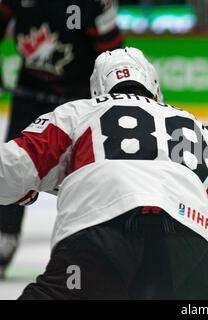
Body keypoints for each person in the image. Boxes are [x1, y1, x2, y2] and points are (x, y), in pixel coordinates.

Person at [0, 47, 208, 299]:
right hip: (186, 249)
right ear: (154, 85)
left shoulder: (76, 113)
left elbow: (10, 169)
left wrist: (27, 190)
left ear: (97, 88)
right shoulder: (192, 127)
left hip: (97, 239)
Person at [0, 0, 123, 278]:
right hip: (29, 89)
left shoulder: (93, 4)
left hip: (79, 97)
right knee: (15, 163)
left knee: (88, 176)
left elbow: (113, 55)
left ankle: (94, 247)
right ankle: (4, 236)